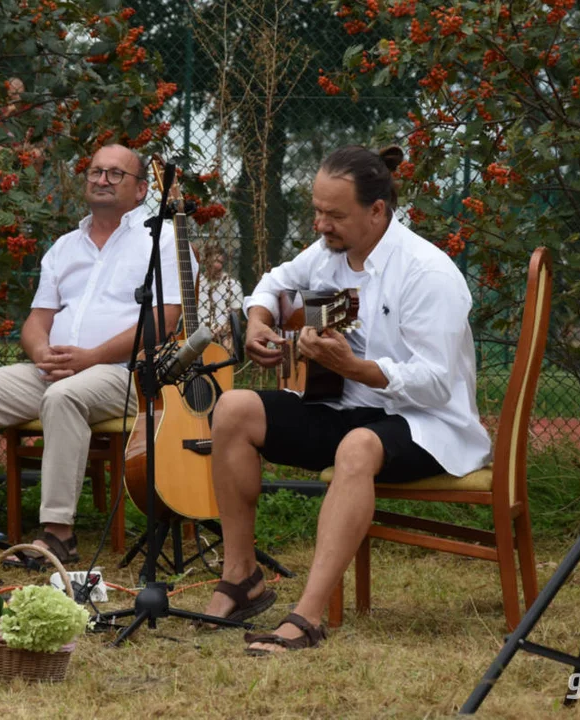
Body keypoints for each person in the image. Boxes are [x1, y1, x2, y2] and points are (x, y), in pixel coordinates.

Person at [199, 145, 492, 654]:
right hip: (342, 406)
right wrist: (259, 320)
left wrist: (352, 368)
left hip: (425, 422)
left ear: (377, 211)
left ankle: (306, 618)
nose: (320, 225)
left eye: (335, 215)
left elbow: (436, 383)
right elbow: (275, 282)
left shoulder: (428, 272)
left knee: (358, 446)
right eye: (317, 210)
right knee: (233, 409)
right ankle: (242, 578)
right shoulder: (330, 254)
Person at [0, 144, 192, 565]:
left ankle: (58, 536)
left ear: (142, 189)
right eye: (95, 171)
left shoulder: (162, 240)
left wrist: (89, 358)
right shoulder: (64, 247)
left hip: (125, 372)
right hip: (57, 368)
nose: (102, 179)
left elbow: (165, 320)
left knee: (64, 397)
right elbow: (37, 320)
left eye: (115, 174)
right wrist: (42, 352)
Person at [196, 246, 243, 354]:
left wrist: (219, 331)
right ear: (206, 261)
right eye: (215, 261)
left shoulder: (233, 285)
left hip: (222, 336)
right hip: (198, 334)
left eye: (221, 262)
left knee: (228, 343)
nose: (218, 266)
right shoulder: (197, 284)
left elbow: (235, 318)